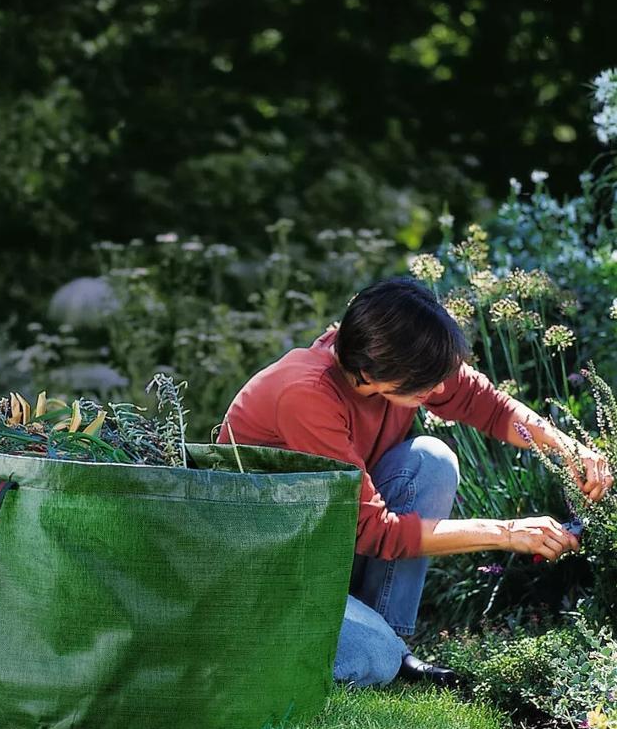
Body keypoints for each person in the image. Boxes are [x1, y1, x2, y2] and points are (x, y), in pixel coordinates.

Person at [217, 277, 613, 688]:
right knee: (372, 655)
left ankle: (389, 643)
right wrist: (509, 532)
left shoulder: (388, 353)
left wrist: (570, 449)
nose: (440, 388)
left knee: (430, 459)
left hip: (321, 545)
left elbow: (488, 406)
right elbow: (376, 532)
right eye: (427, 382)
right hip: (268, 572)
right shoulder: (305, 394)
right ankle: (277, 647)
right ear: (371, 373)